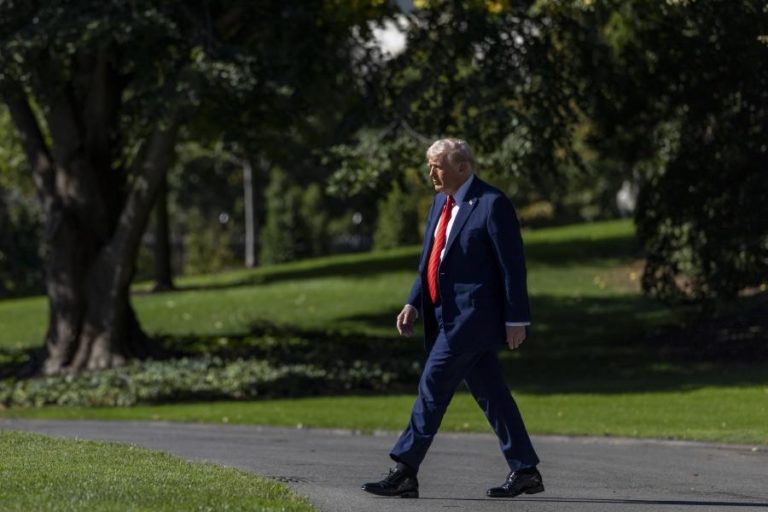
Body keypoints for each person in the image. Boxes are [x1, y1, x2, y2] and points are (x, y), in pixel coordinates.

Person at [361, 138, 543, 499]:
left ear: (462, 167)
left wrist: (516, 318)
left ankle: (405, 470)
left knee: (432, 386)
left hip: (473, 319)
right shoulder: (439, 204)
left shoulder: (492, 204)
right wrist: (413, 303)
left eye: (437, 166)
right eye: (429, 166)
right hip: (445, 316)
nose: (431, 173)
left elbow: (512, 267)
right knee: (493, 395)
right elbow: (431, 261)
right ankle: (525, 470)